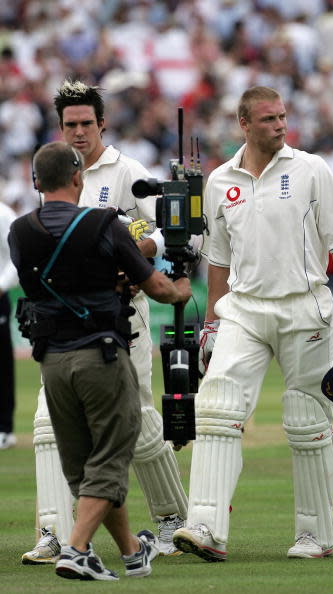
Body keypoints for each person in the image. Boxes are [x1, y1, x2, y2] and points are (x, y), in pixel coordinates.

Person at [173, 86, 333, 561]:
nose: (280, 125)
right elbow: (219, 260)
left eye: (283, 117)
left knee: (307, 420)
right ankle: (205, 526)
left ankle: (315, 535)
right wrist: (210, 323)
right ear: (244, 124)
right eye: (269, 119)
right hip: (243, 310)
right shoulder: (220, 179)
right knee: (217, 406)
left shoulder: (311, 169)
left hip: (305, 308)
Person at [21, 80, 188, 564]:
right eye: (70, 124)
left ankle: (173, 519)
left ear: (102, 124)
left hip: (123, 317)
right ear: (60, 127)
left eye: (85, 124)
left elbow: (170, 223)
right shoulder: (50, 171)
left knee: (138, 421)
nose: (78, 132)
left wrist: (146, 250)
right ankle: (54, 532)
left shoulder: (126, 170)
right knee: (48, 423)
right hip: (65, 324)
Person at [0, 201, 19, 449]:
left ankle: (5, 428)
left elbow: (16, 256)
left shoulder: (4, 214)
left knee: (1, 362)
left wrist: (2, 286)